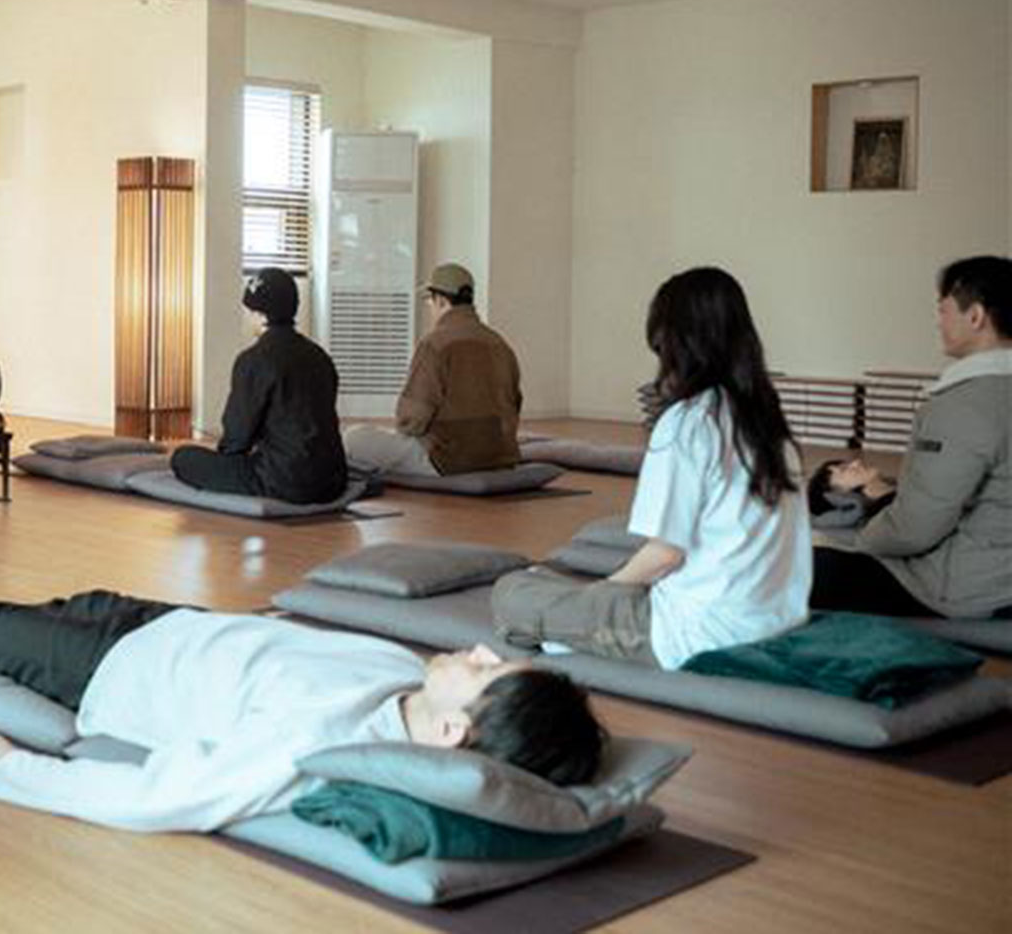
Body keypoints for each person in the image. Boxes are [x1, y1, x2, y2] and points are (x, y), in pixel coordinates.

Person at [0, 560, 605, 834]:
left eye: (486, 673)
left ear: (452, 734)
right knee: (45, 608)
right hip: (168, 625)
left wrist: (8, 770)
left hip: (112, 673)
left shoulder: (322, 745)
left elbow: (166, 796)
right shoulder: (403, 672)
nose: (478, 651)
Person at [493, 267, 810, 667]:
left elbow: (665, 555)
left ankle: (570, 635)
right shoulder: (772, 429)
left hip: (695, 635)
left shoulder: (688, 423)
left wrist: (600, 595)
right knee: (560, 585)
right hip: (774, 623)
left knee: (513, 591)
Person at [809, 256, 1012, 620]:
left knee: (805, 569)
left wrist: (861, 541)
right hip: (995, 573)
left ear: (975, 316)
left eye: (943, 310)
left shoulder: (965, 404)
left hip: (972, 589)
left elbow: (915, 528)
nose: (938, 322)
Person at [172, 268, 349, 504]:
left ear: (260, 314)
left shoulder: (253, 360)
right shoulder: (320, 356)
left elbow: (236, 439)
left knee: (183, 458)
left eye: (248, 310)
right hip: (333, 481)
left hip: (284, 481)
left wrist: (229, 459)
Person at [343, 263, 521, 477]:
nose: (429, 306)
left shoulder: (434, 344)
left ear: (441, 300)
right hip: (500, 457)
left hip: (447, 460)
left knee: (354, 437)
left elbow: (411, 421)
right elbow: (514, 404)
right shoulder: (499, 343)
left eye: (430, 300)